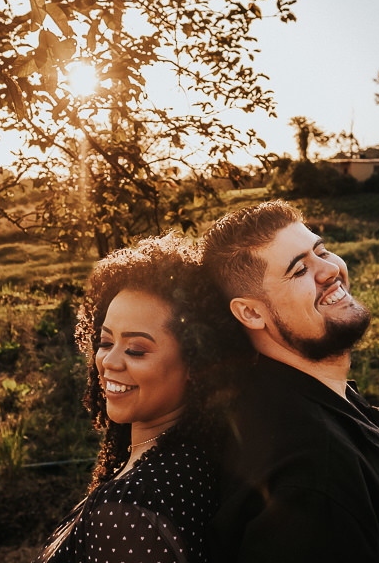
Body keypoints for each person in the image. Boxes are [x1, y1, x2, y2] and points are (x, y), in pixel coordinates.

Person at [201, 200, 379, 562]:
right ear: (251, 312)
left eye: (321, 251)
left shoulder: (327, 401)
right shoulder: (312, 471)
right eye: (299, 269)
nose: (330, 270)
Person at [36, 233, 243, 563]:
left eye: (136, 349)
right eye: (105, 342)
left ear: (196, 362)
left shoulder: (132, 508)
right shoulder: (192, 459)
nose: (109, 361)